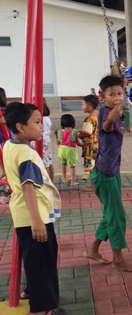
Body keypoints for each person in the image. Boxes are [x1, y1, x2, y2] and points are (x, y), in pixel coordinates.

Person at [3, 102, 64, 315]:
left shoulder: (11, 146)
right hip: (34, 218)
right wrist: (37, 221)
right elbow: (28, 187)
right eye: (37, 122)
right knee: (43, 264)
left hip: (24, 215)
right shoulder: (27, 154)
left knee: (36, 260)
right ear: (21, 127)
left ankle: (30, 291)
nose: (41, 127)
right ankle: (42, 309)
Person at [84, 75, 132, 272]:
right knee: (116, 216)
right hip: (105, 173)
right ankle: (118, 258)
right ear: (102, 95)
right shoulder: (104, 113)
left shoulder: (117, 111)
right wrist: (111, 119)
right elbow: (106, 126)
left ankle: (93, 249)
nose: (116, 97)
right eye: (112, 94)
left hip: (112, 171)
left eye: (119, 94)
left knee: (111, 213)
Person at [55, 114, 81, 186]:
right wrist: (83, 145)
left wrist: (55, 135)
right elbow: (78, 143)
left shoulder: (59, 132)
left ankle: (64, 179)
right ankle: (73, 181)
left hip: (61, 149)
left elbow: (57, 142)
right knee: (72, 166)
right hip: (70, 150)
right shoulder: (74, 132)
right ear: (73, 123)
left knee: (63, 164)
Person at [78, 95, 99, 181]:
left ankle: (92, 183)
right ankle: (88, 177)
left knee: (90, 163)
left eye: (83, 105)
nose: (81, 106)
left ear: (89, 107)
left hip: (89, 145)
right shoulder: (96, 117)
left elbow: (87, 133)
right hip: (95, 143)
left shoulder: (89, 119)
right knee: (93, 162)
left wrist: (78, 135)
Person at [42, 98, 54, 181]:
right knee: (49, 162)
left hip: (42, 142)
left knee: (45, 164)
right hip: (46, 141)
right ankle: (51, 182)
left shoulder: (41, 119)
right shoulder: (46, 118)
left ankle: (47, 184)